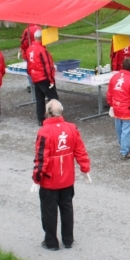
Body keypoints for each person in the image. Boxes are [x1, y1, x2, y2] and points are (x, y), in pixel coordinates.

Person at [32, 99, 91, 251]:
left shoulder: (44, 132)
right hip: (67, 178)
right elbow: (80, 150)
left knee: (49, 212)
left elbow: (41, 158)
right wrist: (85, 169)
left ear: (48, 113)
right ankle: (68, 240)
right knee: (67, 208)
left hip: (50, 180)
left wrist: (36, 178)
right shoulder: (72, 128)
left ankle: (51, 242)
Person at [106, 57, 130, 160]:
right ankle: (125, 151)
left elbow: (109, 93)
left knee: (119, 129)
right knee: (126, 131)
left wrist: (111, 104)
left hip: (117, 108)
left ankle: (124, 147)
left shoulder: (114, 77)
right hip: (127, 109)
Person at [26, 30, 59, 126]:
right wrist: (51, 79)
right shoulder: (42, 50)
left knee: (39, 99)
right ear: (41, 38)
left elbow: (28, 65)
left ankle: (40, 119)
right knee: (53, 98)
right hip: (44, 78)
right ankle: (55, 118)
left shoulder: (29, 49)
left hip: (35, 77)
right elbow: (47, 66)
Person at [19, 23, 41, 93]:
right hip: (39, 51)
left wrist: (22, 50)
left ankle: (32, 84)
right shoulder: (39, 28)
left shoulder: (27, 30)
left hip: (29, 52)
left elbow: (24, 42)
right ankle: (39, 84)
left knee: (29, 69)